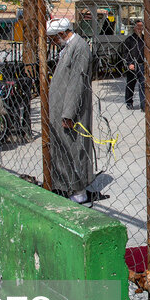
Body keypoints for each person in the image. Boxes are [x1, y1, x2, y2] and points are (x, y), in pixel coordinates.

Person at [46, 18, 95, 203]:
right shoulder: (69, 46)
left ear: (60, 34)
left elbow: (76, 82)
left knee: (74, 148)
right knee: (63, 147)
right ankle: (67, 185)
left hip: (72, 111)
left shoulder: (80, 47)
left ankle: (79, 191)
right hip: (63, 108)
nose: (52, 42)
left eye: (53, 38)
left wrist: (69, 113)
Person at [121, 20, 146, 110]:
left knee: (143, 85)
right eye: (138, 26)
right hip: (132, 65)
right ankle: (129, 102)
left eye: (141, 26)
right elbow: (125, 53)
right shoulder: (129, 39)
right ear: (134, 27)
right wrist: (129, 63)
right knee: (130, 84)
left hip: (142, 65)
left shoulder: (145, 39)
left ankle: (144, 105)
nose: (140, 28)